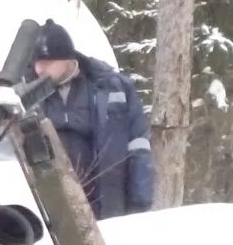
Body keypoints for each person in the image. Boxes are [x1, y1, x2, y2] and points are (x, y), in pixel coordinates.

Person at [30, 20, 154, 217]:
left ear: (68, 59)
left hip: (108, 205)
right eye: (36, 63)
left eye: (47, 63)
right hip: (53, 210)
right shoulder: (26, 96)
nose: (39, 70)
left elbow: (138, 145)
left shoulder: (113, 87)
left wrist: (140, 201)